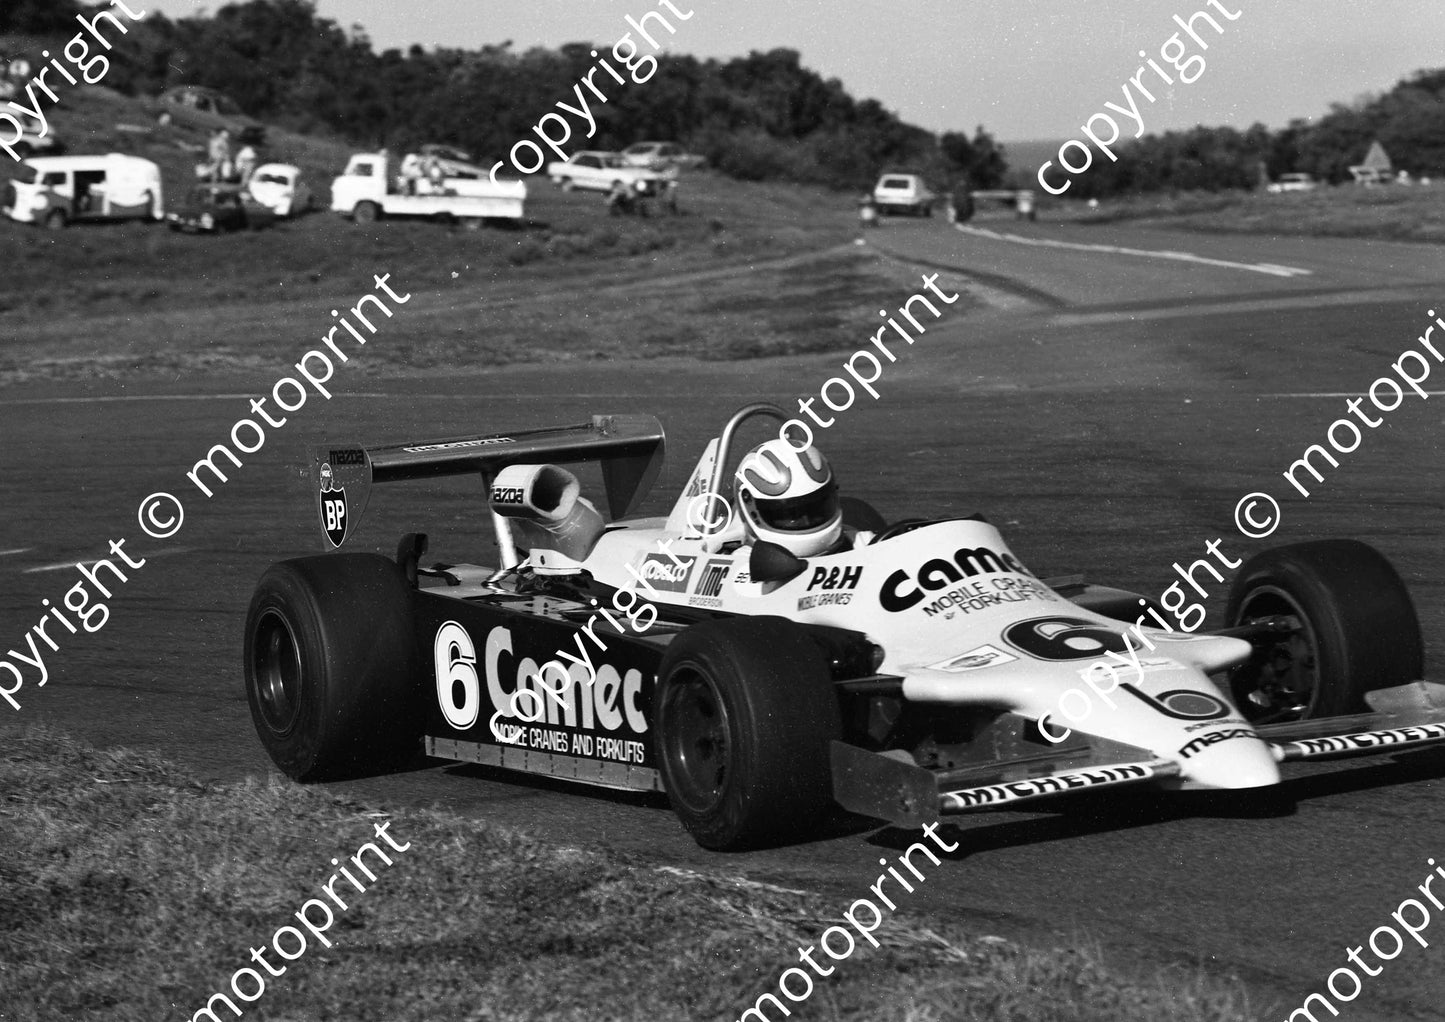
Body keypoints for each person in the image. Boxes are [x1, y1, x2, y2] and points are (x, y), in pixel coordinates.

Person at [733, 439, 845, 558]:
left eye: (816, 509)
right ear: (752, 512)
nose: (806, 521)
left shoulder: (859, 543)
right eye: (792, 515)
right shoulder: (742, 562)